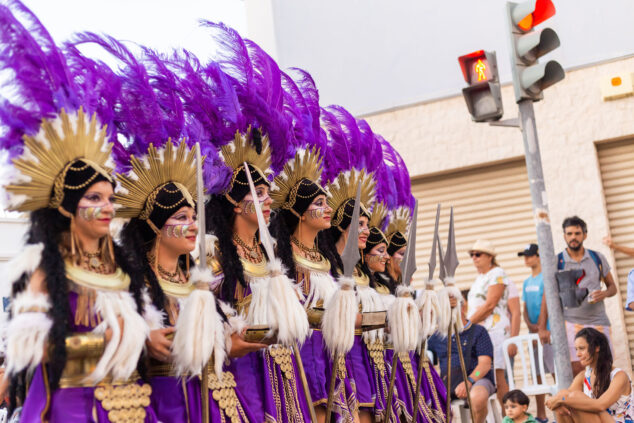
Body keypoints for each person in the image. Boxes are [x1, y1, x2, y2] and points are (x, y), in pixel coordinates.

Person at [0, 7, 157, 421]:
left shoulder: (118, 266)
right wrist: (106, 341)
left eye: (110, 197)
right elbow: (33, 348)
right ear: (68, 207)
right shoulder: (45, 266)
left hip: (132, 404)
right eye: (94, 198)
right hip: (72, 406)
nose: (107, 207)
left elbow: (141, 340)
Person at [542, 216, 617, 376]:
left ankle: (602, 400)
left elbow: (613, 288)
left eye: (577, 233)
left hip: (598, 321)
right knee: (577, 367)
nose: (573, 237)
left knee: (604, 365)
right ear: (564, 236)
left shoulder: (597, 257)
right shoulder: (557, 261)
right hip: (571, 323)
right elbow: (546, 296)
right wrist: (542, 328)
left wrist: (603, 293)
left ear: (585, 235)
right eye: (569, 234)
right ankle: (583, 401)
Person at [428, 290, 496, 423]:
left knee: (477, 397)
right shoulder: (436, 336)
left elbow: (485, 364)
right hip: (448, 383)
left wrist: (469, 381)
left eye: (451, 308)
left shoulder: (478, 331)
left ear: (462, 307)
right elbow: (422, 357)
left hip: (477, 379)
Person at [547, 328, 634, 423]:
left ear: (597, 347)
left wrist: (561, 399)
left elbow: (600, 405)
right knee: (565, 400)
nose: (578, 354)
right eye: (576, 349)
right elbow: (565, 395)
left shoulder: (619, 376)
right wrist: (560, 400)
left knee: (575, 398)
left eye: (582, 348)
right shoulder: (583, 376)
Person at [467, 239, 511, 407]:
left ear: (490, 257)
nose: (474, 258)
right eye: (472, 255)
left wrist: (468, 324)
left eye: (478, 254)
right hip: (480, 332)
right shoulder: (479, 278)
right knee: (486, 376)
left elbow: (490, 304)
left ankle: (509, 417)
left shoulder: (497, 273)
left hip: (495, 331)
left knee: (499, 377)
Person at [519, 243, 554, 423]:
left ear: (539, 256)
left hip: (547, 333)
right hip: (533, 333)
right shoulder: (527, 281)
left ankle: (564, 410)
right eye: (525, 255)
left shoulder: (544, 278)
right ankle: (541, 415)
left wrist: (541, 328)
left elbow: (544, 304)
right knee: (537, 375)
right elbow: (524, 307)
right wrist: (529, 325)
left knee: (555, 372)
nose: (526, 258)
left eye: (530, 255)